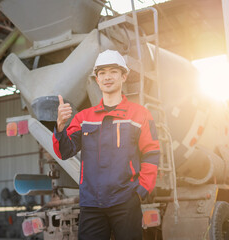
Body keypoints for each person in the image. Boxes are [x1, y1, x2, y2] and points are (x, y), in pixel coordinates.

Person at [52, 49, 160, 240]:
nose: (107, 77)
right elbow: (64, 152)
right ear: (96, 79)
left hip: (126, 202)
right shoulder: (84, 118)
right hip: (92, 205)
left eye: (113, 72)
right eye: (102, 73)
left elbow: (151, 152)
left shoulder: (140, 114)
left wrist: (141, 191)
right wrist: (60, 126)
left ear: (123, 76)